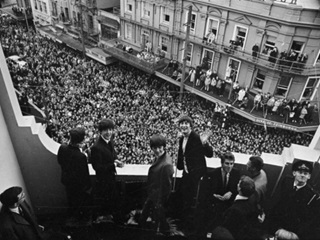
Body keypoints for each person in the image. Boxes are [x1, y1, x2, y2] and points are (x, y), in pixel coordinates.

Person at [177, 115, 213, 234]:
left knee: (193, 202)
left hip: (196, 177)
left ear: (191, 125)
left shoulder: (196, 137)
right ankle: (184, 224)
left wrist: (205, 143)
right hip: (187, 174)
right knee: (184, 199)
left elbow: (209, 154)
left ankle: (190, 228)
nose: (184, 125)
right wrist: (180, 166)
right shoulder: (182, 138)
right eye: (182, 123)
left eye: (186, 123)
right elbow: (182, 154)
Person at [268, 160, 320, 240]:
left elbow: (308, 219)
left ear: (309, 176)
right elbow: (277, 199)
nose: (302, 175)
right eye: (300, 172)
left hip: (291, 228)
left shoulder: (312, 196)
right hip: (277, 220)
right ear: (294, 173)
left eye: (305, 174)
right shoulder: (287, 181)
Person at [90, 118, 124, 223]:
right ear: (100, 131)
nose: (109, 132)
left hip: (111, 179)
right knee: (105, 204)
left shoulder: (110, 142)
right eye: (106, 130)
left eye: (110, 129)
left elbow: (112, 155)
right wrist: (113, 165)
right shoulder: (96, 147)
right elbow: (97, 168)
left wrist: (116, 160)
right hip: (103, 182)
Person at [139, 134, 174, 234]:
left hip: (158, 199)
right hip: (154, 196)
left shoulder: (166, 164)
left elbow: (167, 187)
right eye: (155, 148)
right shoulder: (162, 157)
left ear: (164, 146)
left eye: (159, 147)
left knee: (159, 225)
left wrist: (159, 202)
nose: (157, 150)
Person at [57, 127, 92, 226]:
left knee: (71, 201)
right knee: (79, 204)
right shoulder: (81, 157)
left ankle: (72, 219)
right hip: (79, 186)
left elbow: (60, 161)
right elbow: (85, 175)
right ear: (81, 140)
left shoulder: (62, 148)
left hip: (67, 181)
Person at [206, 152, 240, 230]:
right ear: (221, 163)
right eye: (227, 163)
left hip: (229, 205)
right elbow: (206, 191)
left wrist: (231, 192)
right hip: (215, 204)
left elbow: (237, 189)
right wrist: (214, 196)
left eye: (231, 164)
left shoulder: (236, 173)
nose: (229, 166)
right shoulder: (213, 173)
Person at [219, 176, 260, 240]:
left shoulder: (234, 210)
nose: (237, 184)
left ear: (239, 189)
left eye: (238, 183)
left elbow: (225, 228)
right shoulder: (252, 204)